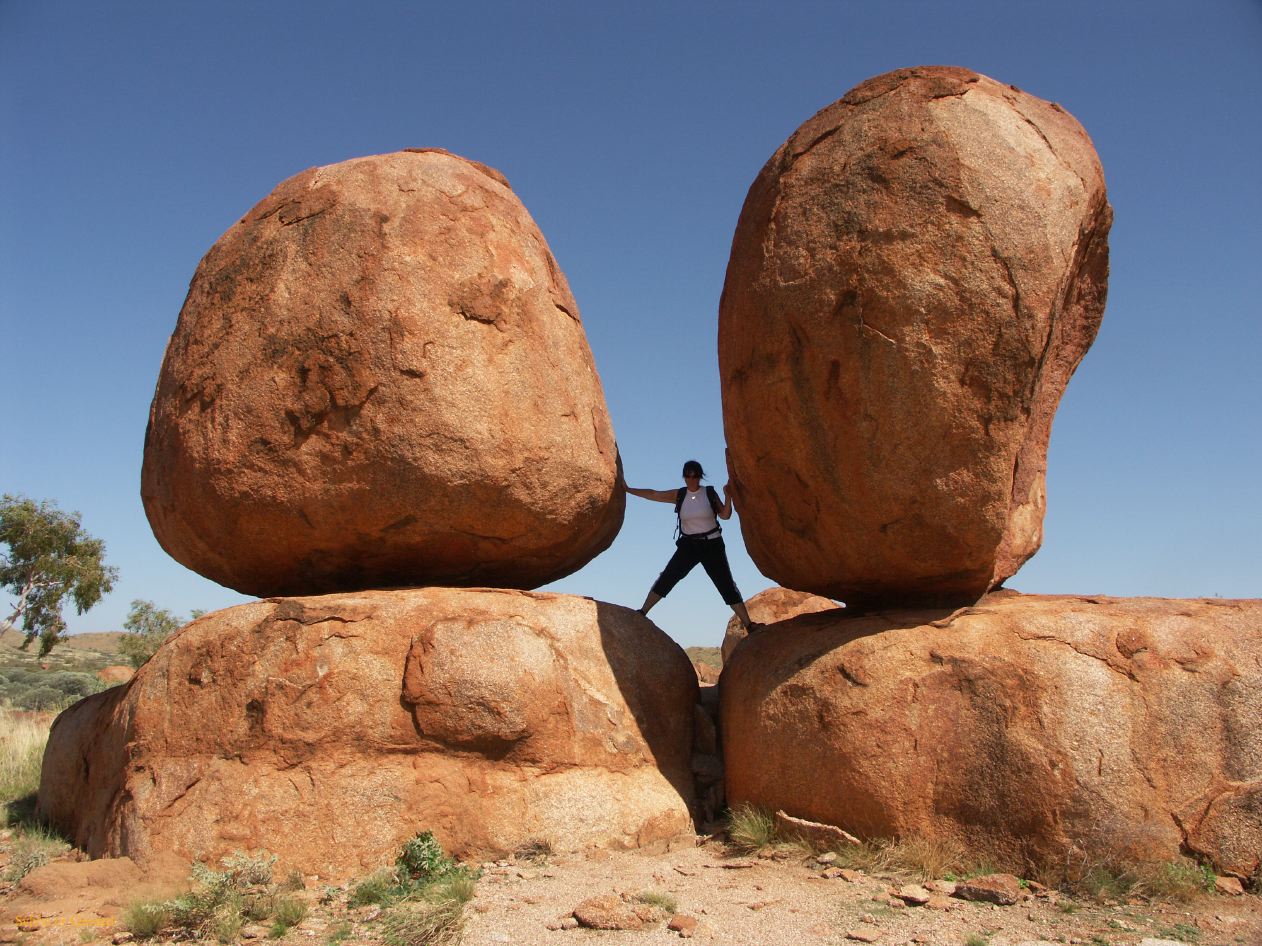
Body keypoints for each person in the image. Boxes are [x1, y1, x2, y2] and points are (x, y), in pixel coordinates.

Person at [625, 459, 759, 632]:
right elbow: (653, 494)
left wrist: (728, 496)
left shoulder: (709, 493)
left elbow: (725, 515)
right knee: (668, 576)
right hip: (689, 545)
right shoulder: (679, 495)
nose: (691, 479)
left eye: (695, 475)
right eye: (688, 476)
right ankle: (643, 612)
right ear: (684, 477)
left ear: (700, 476)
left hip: (712, 544)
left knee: (725, 583)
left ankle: (749, 624)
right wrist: (628, 489)